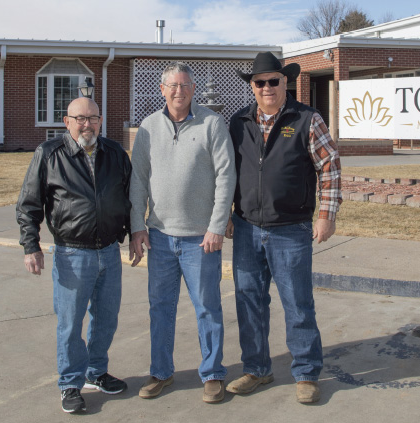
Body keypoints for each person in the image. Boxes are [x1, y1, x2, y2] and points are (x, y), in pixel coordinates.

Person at [225, 52, 342, 404]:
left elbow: (330, 166)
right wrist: (226, 214)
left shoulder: (307, 119)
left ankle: (306, 373)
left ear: (285, 82)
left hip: (291, 230)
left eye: (273, 81)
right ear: (252, 86)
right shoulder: (238, 122)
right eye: (259, 82)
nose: (267, 88)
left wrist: (326, 215)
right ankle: (256, 369)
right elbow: (227, 172)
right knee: (249, 302)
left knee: (298, 304)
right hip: (246, 228)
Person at [16, 97, 132, 414]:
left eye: (92, 118)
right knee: (70, 323)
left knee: (106, 319)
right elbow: (29, 204)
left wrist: (133, 233)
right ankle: (70, 383)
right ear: (67, 122)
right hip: (72, 254)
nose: (86, 124)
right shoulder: (49, 154)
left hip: (109, 252)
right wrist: (31, 245)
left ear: (101, 120)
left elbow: (129, 197)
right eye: (79, 118)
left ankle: (96, 371)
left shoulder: (115, 153)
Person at [128, 62, 236, 404]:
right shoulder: (148, 127)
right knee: (160, 308)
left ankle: (213, 373)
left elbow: (226, 176)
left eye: (185, 85)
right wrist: (137, 226)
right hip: (159, 237)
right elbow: (137, 180)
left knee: (207, 308)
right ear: (162, 89)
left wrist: (216, 225)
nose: (179, 91)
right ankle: (161, 372)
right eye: (173, 85)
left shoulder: (212, 124)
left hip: (200, 240)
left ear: (193, 89)